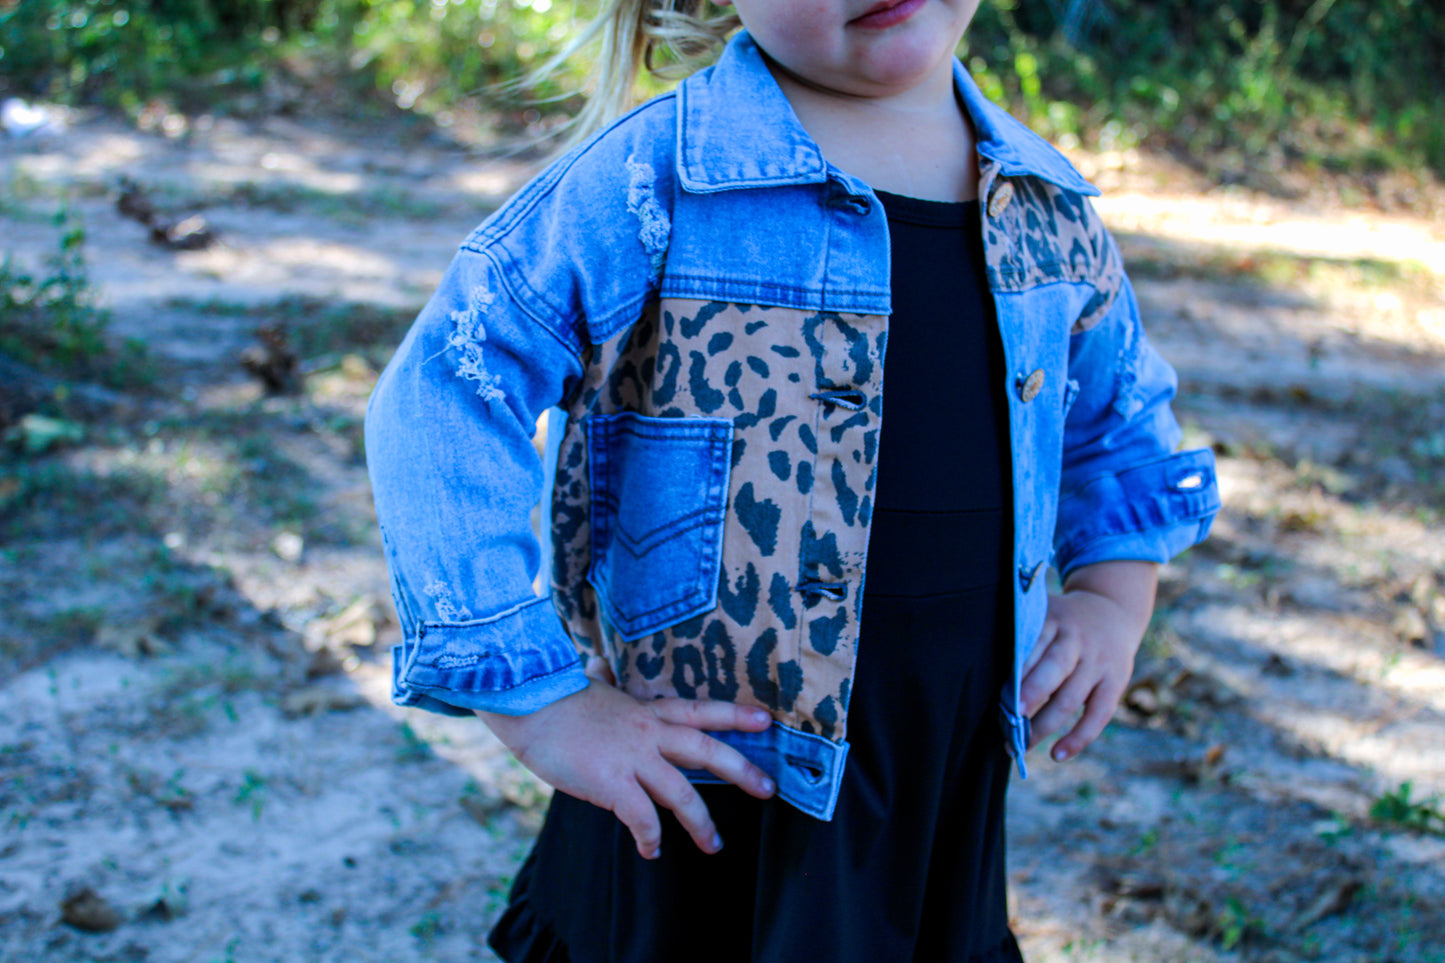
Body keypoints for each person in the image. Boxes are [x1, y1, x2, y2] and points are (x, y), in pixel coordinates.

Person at [364, 0, 1221, 959]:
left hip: (935, 785)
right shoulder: (658, 179)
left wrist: (1112, 599)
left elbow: (1119, 421)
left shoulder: (1047, 207)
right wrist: (539, 702)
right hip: (703, 791)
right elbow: (445, 392)